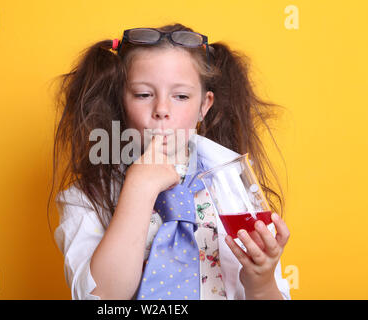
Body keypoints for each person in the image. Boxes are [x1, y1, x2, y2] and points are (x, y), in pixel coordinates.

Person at [51, 23, 291, 300]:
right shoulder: (84, 198)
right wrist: (138, 188)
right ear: (121, 102)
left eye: (181, 96)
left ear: (204, 105)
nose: (162, 110)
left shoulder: (237, 188)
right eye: (143, 95)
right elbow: (102, 299)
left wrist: (260, 283)